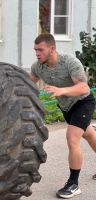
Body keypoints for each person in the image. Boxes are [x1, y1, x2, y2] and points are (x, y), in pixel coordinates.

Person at [29, 33, 96, 199]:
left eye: (40, 50)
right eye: (35, 50)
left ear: (52, 49)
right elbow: (27, 85)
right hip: (67, 107)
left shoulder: (69, 62)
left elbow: (82, 87)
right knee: (89, 134)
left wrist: (61, 91)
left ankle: (73, 184)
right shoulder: (38, 67)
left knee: (72, 137)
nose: (37, 53)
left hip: (83, 102)